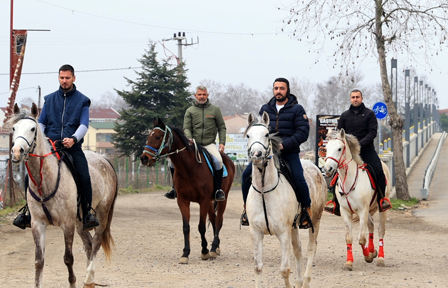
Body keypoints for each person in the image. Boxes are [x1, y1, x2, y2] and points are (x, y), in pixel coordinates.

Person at [14, 65, 100, 230]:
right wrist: (44, 137)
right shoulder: (50, 99)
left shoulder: (82, 100)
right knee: (28, 178)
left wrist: (74, 139)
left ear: (74, 78)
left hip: (72, 148)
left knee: (85, 177)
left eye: (67, 78)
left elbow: (84, 124)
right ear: (58, 78)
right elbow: (41, 122)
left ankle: (88, 213)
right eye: (62, 78)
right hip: (51, 148)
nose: (64, 81)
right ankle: (29, 212)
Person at [240, 78, 313, 229]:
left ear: (287, 90)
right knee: (246, 176)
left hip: (288, 152)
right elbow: (260, 130)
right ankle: (247, 209)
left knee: (298, 177)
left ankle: (306, 209)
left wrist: (284, 144)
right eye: (276, 88)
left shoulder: (297, 109)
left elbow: (303, 132)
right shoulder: (265, 108)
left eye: (282, 88)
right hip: (268, 154)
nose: (278, 91)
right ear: (273, 90)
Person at [325, 89, 391, 214]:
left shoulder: (369, 114)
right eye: (353, 97)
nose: (355, 99)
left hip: (366, 151)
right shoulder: (345, 115)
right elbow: (340, 133)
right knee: (336, 173)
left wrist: (360, 144)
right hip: (348, 153)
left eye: (357, 97)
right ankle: (335, 202)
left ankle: (382, 199)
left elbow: (372, 132)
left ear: (362, 98)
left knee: (379, 171)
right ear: (350, 99)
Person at [165, 85, 227, 201]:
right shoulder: (190, 111)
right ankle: (174, 188)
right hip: (192, 144)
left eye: (204, 94)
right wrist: (189, 138)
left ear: (207, 95)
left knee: (218, 160)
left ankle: (218, 189)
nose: (202, 96)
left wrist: (222, 142)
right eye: (199, 94)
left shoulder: (215, 110)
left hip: (209, 144)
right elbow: (186, 127)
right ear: (195, 96)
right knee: (171, 162)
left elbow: (222, 127)